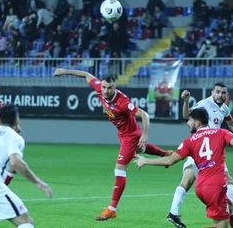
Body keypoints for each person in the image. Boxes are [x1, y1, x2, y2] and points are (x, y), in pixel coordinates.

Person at [53, 68, 172, 221]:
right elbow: (86, 75)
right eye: (104, 87)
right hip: (123, 134)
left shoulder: (123, 102)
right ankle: (166, 155)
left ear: (114, 87)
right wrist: (64, 71)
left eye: (110, 88)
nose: (106, 90)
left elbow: (144, 114)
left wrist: (145, 133)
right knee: (141, 148)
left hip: (131, 136)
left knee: (119, 170)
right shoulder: (99, 88)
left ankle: (112, 209)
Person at [135, 108, 233, 228]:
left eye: (190, 120)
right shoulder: (221, 132)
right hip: (215, 184)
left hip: (201, 186)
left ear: (197, 122)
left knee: (232, 208)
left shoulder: (189, 141)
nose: (188, 123)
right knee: (222, 225)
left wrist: (146, 160)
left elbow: (169, 161)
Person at [167, 82, 233, 228]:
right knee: (219, 180)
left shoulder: (224, 108)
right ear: (212, 92)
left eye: (223, 93)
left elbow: (231, 123)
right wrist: (185, 101)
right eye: (218, 92)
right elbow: (186, 116)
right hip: (203, 150)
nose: (221, 95)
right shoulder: (204, 104)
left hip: (210, 150)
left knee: (190, 180)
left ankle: (173, 213)